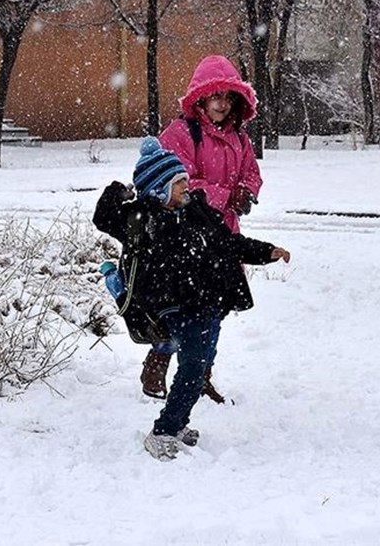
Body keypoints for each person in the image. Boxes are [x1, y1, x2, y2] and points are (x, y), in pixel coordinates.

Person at [93, 137, 290, 461]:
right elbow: (104, 217)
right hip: (175, 305)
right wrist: (119, 191)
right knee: (193, 368)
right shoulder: (141, 220)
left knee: (197, 367)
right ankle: (163, 431)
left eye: (185, 180)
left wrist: (267, 251)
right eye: (178, 182)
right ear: (159, 189)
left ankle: (178, 422)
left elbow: (230, 243)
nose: (186, 186)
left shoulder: (198, 213)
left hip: (208, 300)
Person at [154, 54, 262, 404]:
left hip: (224, 236)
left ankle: (201, 375)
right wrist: (225, 195)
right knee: (186, 310)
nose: (220, 104)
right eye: (214, 96)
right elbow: (177, 184)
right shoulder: (181, 133)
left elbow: (251, 172)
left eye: (227, 97)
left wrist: (247, 191)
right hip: (187, 238)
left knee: (217, 310)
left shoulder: (240, 138)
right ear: (200, 97)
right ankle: (159, 358)